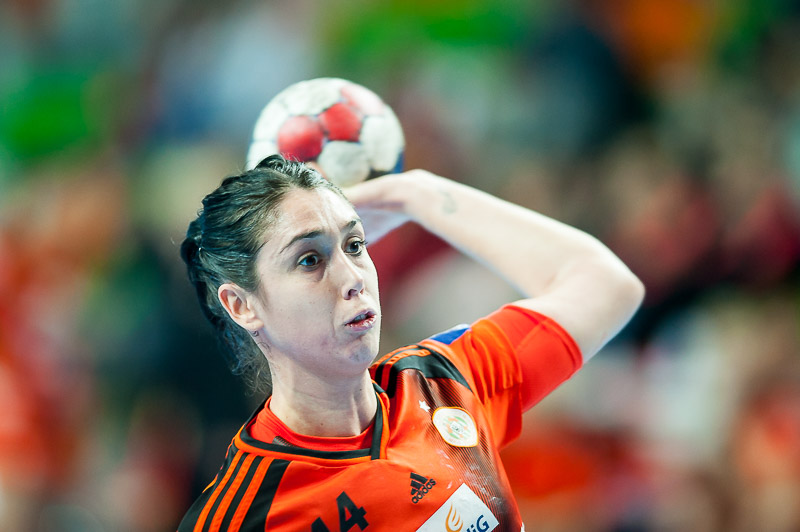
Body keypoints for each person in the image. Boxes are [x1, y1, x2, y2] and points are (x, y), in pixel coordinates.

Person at [177, 154, 644, 531]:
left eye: (355, 245)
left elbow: (608, 285)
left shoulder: (444, 382)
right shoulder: (244, 517)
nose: (353, 278)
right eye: (309, 259)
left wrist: (414, 195)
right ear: (242, 305)